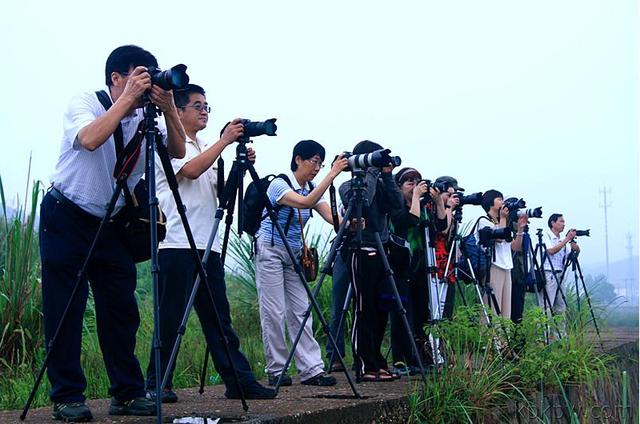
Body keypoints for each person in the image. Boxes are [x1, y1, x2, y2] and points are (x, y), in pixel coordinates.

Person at [40, 45, 186, 422]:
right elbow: (90, 139)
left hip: (111, 224)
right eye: (138, 76)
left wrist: (168, 105)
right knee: (66, 309)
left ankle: (127, 392)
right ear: (116, 79)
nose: (144, 84)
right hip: (66, 214)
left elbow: (177, 149)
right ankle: (67, 396)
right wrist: (129, 99)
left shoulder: (145, 115)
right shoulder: (86, 102)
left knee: (121, 309)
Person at [145, 84, 275, 402]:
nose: (204, 111)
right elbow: (189, 170)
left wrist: (238, 165)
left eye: (207, 106)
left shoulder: (203, 144)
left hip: (208, 245)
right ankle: (156, 383)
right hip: (175, 243)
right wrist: (224, 141)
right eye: (197, 105)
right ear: (178, 110)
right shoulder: (167, 138)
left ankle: (239, 381)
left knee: (219, 320)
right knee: (171, 317)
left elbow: (222, 195)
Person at [254, 140, 347, 387]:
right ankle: (277, 369)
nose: (317, 167)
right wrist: (333, 173)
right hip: (270, 250)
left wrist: (353, 221)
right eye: (313, 161)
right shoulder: (279, 184)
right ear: (298, 159)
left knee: (301, 310)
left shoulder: (312, 188)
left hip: (296, 254)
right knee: (274, 312)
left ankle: (311, 370)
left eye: (321, 162)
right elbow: (305, 203)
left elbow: (332, 218)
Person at [339, 140, 404, 382]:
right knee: (364, 309)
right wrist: (373, 172)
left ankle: (377, 361)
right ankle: (365, 364)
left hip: (383, 250)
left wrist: (388, 176)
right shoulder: (347, 186)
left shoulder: (380, 181)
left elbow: (397, 205)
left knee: (381, 310)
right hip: (361, 250)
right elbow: (363, 202)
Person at [389, 169, 451, 372]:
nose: (414, 185)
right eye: (408, 182)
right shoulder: (395, 206)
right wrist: (416, 196)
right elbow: (408, 221)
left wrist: (439, 202)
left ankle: (421, 358)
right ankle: (401, 361)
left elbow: (441, 226)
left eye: (417, 181)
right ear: (399, 187)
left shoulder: (426, 207)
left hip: (423, 269)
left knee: (423, 315)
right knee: (402, 314)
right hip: (400, 267)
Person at [477, 190, 526, 319]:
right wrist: (503, 218)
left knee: (506, 309)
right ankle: (491, 338)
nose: (503, 202)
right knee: (493, 306)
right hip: (494, 266)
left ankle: (504, 339)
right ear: (490, 202)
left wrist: (520, 230)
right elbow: (499, 238)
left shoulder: (502, 222)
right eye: (499, 199)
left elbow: (515, 246)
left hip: (507, 267)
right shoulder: (483, 221)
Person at [538, 213, 580, 324]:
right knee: (546, 306)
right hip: (549, 273)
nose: (563, 224)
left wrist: (576, 250)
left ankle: (561, 337)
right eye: (561, 221)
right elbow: (551, 251)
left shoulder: (561, 241)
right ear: (553, 223)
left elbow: (568, 259)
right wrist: (567, 239)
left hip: (560, 274)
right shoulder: (546, 236)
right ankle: (543, 337)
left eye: (564, 222)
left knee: (561, 306)